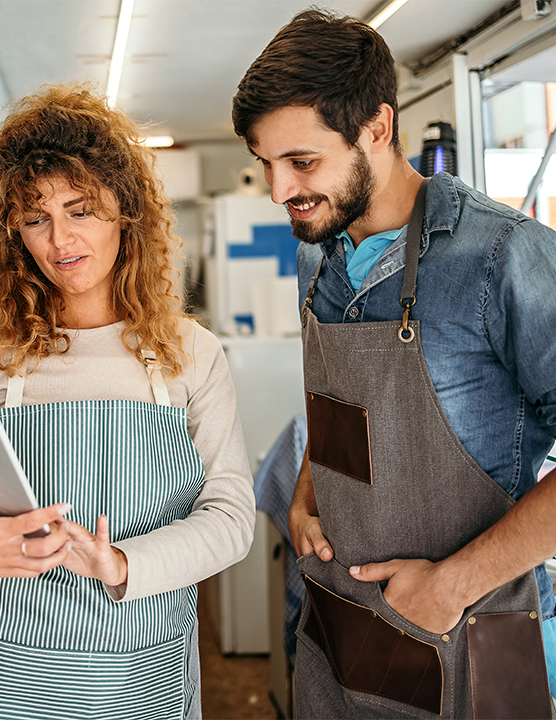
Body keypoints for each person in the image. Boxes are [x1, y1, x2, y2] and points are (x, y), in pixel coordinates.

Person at [233, 8, 556, 719]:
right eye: (267, 164)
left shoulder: (503, 257)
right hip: (342, 632)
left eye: (303, 162)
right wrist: (311, 481)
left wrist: (452, 583)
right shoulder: (315, 257)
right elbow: (348, 402)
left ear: (377, 128)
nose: (280, 190)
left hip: (465, 640)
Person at [0, 83, 255, 720]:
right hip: (0, 680)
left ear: (125, 212)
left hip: (146, 679)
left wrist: (125, 563)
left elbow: (233, 517)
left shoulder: (191, 353)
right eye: (36, 218)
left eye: (81, 210)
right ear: (14, 230)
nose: (60, 240)